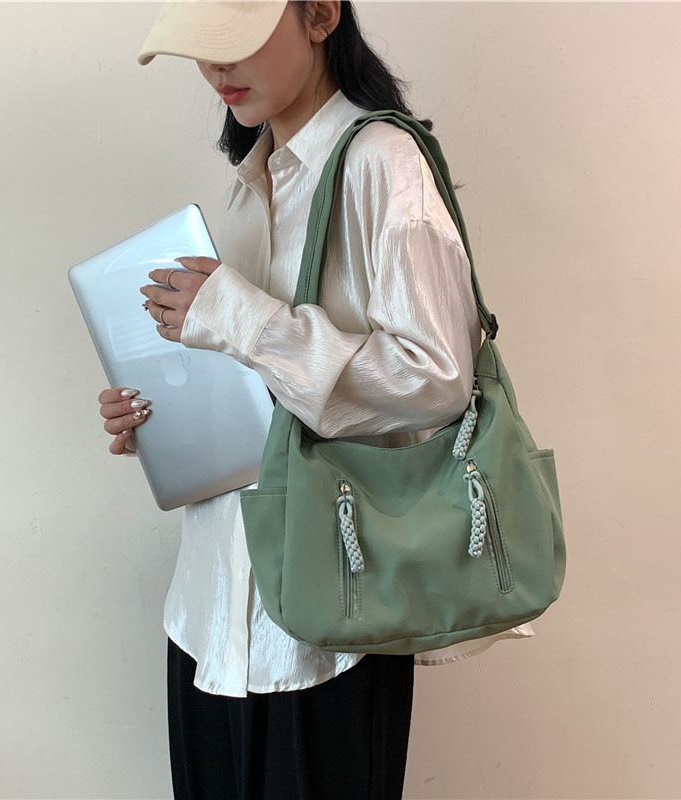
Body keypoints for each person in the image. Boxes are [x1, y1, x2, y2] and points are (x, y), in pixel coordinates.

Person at [98, 2, 530, 797]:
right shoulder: (250, 180)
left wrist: (242, 317)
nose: (215, 68)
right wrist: (159, 418)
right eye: (202, 47)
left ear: (322, 14)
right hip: (208, 614)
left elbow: (436, 377)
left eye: (236, 39)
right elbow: (264, 391)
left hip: (328, 628)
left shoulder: (383, 163)